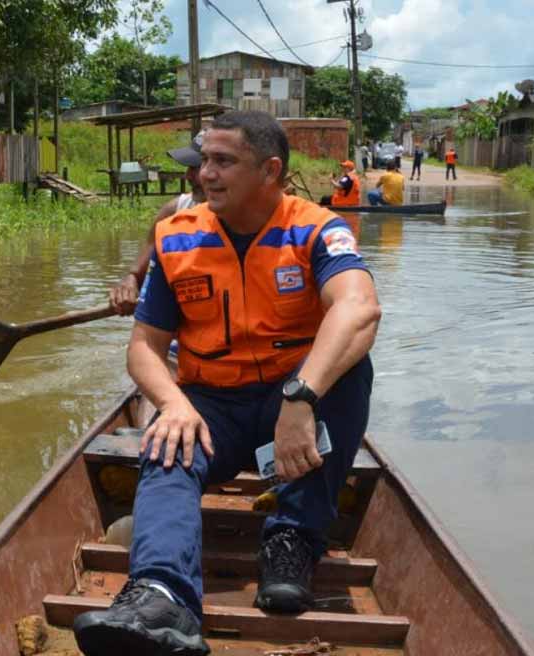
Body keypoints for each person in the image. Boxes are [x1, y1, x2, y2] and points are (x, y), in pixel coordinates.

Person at [73, 111, 381, 656]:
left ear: (269, 171)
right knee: (166, 442)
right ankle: (163, 593)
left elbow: (359, 310)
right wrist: (171, 403)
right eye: (204, 161)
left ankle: (291, 539)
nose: (204, 174)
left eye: (222, 161)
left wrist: (301, 397)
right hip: (211, 403)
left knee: (351, 369)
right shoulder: (177, 238)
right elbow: (144, 347)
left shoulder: (315, 228)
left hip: (288, 410)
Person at [109, 131, 207, 316]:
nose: (188, 176)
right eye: (189, 168)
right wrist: (129, 284)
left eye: (196, 168)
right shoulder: (174, 212)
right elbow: (138, 272)